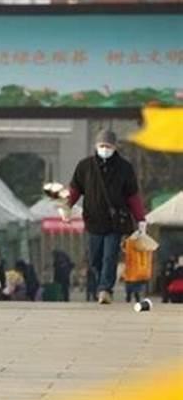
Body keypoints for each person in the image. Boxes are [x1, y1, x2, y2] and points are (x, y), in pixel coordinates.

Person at [65, 130, 146, 304]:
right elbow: (75, 190)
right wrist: (67, 207)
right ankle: (103, 281)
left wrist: (141, 219)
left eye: (108, 146)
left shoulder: (125, 168)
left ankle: (104, 290)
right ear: (96, 146)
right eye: (101, 145)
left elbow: (133, 196)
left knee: (110, 256)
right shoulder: (84, 166)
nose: (104, 149)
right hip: (93, 220)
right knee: (95, 258)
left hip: (115, 222)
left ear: (114, 147)